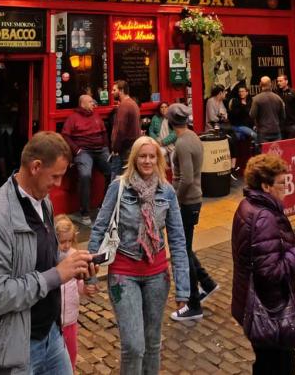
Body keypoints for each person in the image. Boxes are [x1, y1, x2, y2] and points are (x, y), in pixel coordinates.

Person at [0, 131, 93, 375]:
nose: (58, 184)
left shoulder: (43, 200)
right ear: (36, 167)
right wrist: (56, 275)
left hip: (51, 335)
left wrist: (71, 265)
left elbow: (39, 260)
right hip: (15, 347)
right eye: (55, 176)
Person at [88, 136, 190, 375]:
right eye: (142, 156)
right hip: (124, 273)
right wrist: (90, 274)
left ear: (158, 159)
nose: (147, 161)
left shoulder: (167, 192)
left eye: (152, 156)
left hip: (157, 276)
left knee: (153, 343)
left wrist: (183, 288)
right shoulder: (119, 186)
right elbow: (100, 227)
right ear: (134, 158)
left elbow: (177, 239)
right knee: (134, 346)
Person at [231, 154, 295, 375]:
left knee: (264, 363)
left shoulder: (248, 205)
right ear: (266, 186)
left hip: (252, 303)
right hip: (270, 310)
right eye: (282, 183)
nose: (287, 188)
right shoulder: (265, 217)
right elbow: (270, 273)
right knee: (278, 366)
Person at [167, 103, 218, 323]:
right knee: (185, 247)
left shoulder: (182, 143)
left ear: (170, 122)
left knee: (182, 252)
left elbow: (186, 177)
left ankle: (193, 303)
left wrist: (174, 202)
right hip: (193, 199)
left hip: (186, 202)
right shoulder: (193, 137)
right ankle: (207, 283)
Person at [61, 94, 112, 221]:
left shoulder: (95, 115)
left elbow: (103, 132)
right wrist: (76, 150)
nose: (93, 104)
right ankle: (85, 212)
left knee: (113, 172)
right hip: (84, 152)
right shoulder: (73, 118)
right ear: (82, 104)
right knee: (85, 176)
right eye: (90, 102)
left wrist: (106, 147)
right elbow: (65, 136)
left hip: (100, 150)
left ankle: (105, 206)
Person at [54, 215, 89, 370]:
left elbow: (79, 284)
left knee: (71, 354)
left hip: (71, 319)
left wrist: (87, 288)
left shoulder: (75, 256)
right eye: (62, 242)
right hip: (53, 322)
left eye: (69, 241)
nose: (66, 245)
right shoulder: (50, 257)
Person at [110, 82, 142, 176]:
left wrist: (115, 148)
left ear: (122, 91)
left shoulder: (124, 106)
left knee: (116, 181)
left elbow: (120, 130)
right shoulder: (132, 103)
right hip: (131, 147)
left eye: (114, 90)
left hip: (124, 150)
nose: (112, 92)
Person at [250, 76, 285, 146]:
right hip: (276, 130)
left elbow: (252, 115)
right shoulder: (278, 98)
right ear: (270, 84)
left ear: (260, 84)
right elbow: (283, 116)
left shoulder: (256, 99)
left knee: (265, 155)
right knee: (277, 155)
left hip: (263, 132)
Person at [277, 74, 295, 139]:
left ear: (286, 81)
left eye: (281, 81)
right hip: (280, 126)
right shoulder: (277, 94)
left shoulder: (294, 93)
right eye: (278, 81)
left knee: (291, 146)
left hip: (292, 125)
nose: (278, 83)